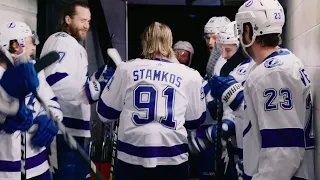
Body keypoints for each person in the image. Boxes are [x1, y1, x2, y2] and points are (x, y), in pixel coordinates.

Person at [209, 0, 314, 179]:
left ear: (249, 31)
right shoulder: (281, 61)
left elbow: (283, 153)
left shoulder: (273, 73)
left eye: (242, 31)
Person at [96, 22, 206, 180]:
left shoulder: (126, 69)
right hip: (173, 159)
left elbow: (104, 113)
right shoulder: (190, 75)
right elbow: (195, 121)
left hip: (131, 159)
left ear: (144, 42)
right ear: (170, 43)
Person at [40, 1, 115, 179]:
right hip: (63, 128)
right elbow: (55, 81)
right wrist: (93, 89)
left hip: (73, 128)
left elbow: (73, 82)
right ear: (68, 19)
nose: (86, 26)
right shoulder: (62, 41)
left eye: (88, 21)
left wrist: (96, 78)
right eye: (82, 20)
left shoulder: (72, 44)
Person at [0, 21, 60, 180]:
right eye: (29, 43)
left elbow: (51, 102)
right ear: (15, 46)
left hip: (39, 167)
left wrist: (50, 119)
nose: (33, 48)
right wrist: (3, 121)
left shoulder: (34, 69)